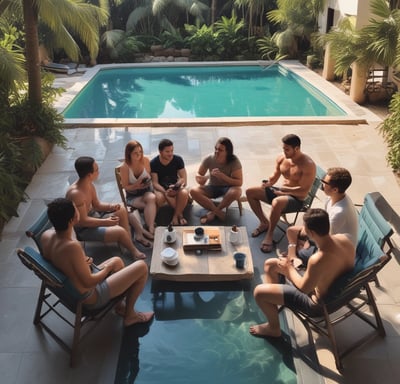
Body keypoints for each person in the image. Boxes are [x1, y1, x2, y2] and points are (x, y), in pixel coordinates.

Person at [41, 198, 154, 327]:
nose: (79, 211)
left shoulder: (46, 236)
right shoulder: (72, 247)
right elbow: (89, 281)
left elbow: (60, 260)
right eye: (76, 209)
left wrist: (81, 263)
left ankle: (119, 306)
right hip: (90, 296)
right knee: (141, 267)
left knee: (117, 261)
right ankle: (130, 316)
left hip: (73, 285)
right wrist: (107, 268)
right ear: (72, 220)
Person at [249, 208, 355, 338]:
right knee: (271, 264)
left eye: (304, 228)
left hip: (314, 303)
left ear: (310, 233)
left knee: (259, 292)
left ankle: (273, 328)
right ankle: (273, 302)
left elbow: (305, 288)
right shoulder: (345, 239)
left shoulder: (318, 259)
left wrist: (289, 269)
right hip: (333, 287)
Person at [246, 134, 316, 253]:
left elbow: (303, 191)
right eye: (283, 148)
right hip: (281, 191)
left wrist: (284, 191)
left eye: (287, 149)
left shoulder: (307, 165)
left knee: (277, 202)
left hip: (297, 198)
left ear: (297, 149)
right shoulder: (282, 158)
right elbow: (274, 178)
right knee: (250, 192)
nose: (284, 151)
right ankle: (264, 222)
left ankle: (270, 234)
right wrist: (268, 183)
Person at [66, 156, 146, 260]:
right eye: (96, 170)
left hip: (95, 216)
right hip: (84, 229)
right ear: (89, 175)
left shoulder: (89, 184)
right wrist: (106, 222)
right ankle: (133, 250)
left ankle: (126, 242)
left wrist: (111, 206)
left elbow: (97, 205)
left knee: (121, 208)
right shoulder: (76, 194)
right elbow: (82, 221)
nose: (99, 172)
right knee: (120, 231)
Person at [286, 167, 358, 267]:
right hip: (325, 233)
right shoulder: (332, 197)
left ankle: (295, 256)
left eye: (324, 182)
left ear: (335, 189)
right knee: (291, 231)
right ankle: (293, 256)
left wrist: (309, 242)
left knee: (302, 251)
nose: (322, 184)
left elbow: (327, 241)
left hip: (337, 249)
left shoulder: (339, 213)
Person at [190, 137, 243, 224]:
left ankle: (213, 212)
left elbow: (239, 182)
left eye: (220, 150)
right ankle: (218, 212)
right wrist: (206, 177)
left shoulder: (234, 161)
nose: (216, 151)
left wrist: (223, 176)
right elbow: (198, 175)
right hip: (212, 187)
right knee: (193, 190)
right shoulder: (209, 158)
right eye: (216, 149)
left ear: (227, 152)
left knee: (236, 191)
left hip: (228, 188)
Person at [119, 140, 157, 242]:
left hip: (146, 191)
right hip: (133, 195)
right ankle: (146, 228)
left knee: (151, 198)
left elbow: (149, 176)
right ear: (129, 154)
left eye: (140, 152)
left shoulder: (145, 160)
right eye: (135, 153)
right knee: (149, 206)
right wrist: (136, 186)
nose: (138, 155)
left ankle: (150, 228)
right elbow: (125, 187)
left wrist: (147, 182)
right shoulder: (125, 167)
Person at [150, 139, 189, 226]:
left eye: (172, 150)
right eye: (167, 151)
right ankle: (180, 216)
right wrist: (165, 191)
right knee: (166, 195)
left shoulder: (178, 159)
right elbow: (155, 183)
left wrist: (177, 186)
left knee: (184, 192)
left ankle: (175, 216)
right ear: (160, 152)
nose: (170, 153)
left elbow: (183, 178)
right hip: (161, 188)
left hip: (175, 186)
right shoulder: (154, 163)